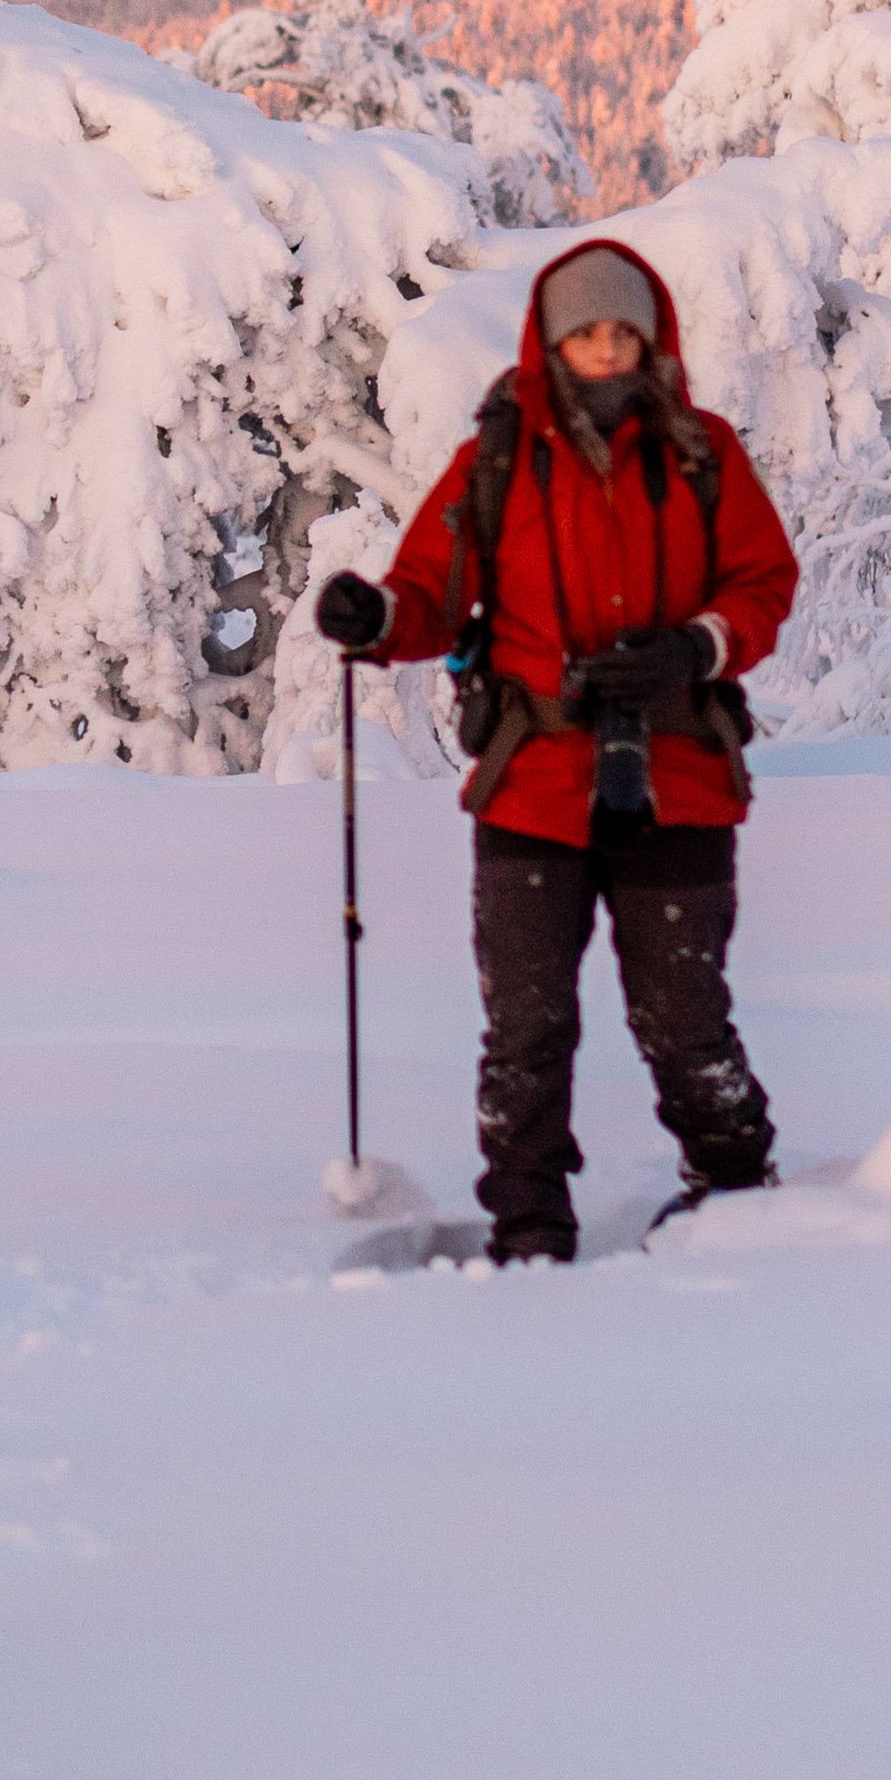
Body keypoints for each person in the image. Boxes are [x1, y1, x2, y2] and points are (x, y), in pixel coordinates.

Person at [316, 234, 798, 1266]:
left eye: (625, 332)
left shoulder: (703, 450)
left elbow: (764, 583)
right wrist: (375, 615)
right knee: (526, 1031)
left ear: (652, 337)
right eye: (588, 333)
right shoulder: (498, 455)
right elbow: (431, 593)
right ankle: (528, 1227)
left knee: (685, 1021)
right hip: (533, 784)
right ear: (552, 341)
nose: (608, 351)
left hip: (679, 780)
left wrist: (692, 649)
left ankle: (739, 1198)